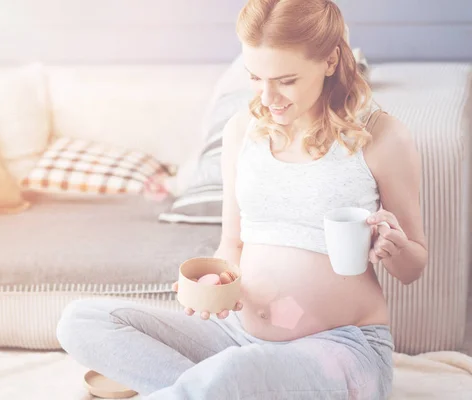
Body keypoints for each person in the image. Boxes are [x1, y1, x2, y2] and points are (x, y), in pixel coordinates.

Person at [56, 0, 428, 398]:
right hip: (234, 335)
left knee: (235, 372)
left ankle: (212, 387)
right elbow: (232, 243)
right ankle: (211, 389)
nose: (268, 98)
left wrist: (396, 248)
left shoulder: (382, 138)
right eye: (255, 77)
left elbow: (413, 267)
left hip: (340, 349)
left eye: (286, 80)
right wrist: (214, 286)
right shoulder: (242, 132)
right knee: (81, 321)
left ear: (331, 60)